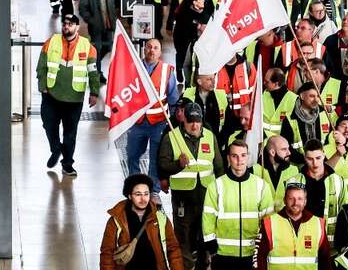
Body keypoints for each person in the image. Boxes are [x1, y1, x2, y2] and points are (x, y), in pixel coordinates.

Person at [157, 103, 222, 270]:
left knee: (205, 234)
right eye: (191, 121)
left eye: (198, 121)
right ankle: (185, 266)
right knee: (183, 236)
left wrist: (223, 192)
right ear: (183, 119)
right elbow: (162, 165)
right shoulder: (171, 137)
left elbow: (219, 166)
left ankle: (202, 264)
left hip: (206, 197)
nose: (195, 125)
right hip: (183, 199)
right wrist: (178, 165)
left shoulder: (209, 136)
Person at [37, 14, 99, 176]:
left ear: (77, 27)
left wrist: (94, 92)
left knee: (70, 133)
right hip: (51, 94)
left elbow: (93, 72)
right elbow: (42, 65)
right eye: (64, 24)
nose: (66, 27)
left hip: (74, 98)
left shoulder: (87, 47)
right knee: (49, 125)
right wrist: (42, 85)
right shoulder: (51, 42)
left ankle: (67, 164)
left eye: (70, 24)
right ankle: (56, 149)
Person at [202, 139, 274, 270]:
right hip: (223, 253)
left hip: (252, 252)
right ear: (228, 158)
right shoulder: (216, 185)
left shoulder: (262, 185)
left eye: (243, 155)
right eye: (234, 156)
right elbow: (208, 216)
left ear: (248, 157)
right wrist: (210, 242)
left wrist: (265, 244)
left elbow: (268, 219)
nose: (239, 160)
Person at [99, 173, 183, 270]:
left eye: (146, 194)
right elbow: (107, 254)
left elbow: (173, 249)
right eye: (138, 194)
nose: (143, 199)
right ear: (129, 196)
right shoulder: (117, 220)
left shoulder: (160, 218)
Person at [126, 39, 179, 189]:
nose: (152, 50)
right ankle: (135, 186)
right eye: (149, 47)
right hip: (137, 122)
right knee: (132, 155)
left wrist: (173, 121)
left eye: (156, 48)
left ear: (160, 52)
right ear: (144, 49)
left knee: (155, 158)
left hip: (159, 122)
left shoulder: (167, 71)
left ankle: (154, 190)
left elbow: (173, 97)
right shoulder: (133, 68)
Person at [254, 182, 331, 270]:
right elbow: (259, 258)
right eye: (291, 198)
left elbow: (325, 261)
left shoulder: (318, 224)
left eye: (300, 199)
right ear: (284, 200)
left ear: (305, 201)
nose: (295, 203)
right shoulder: (269, 223)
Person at [280, 81, 336, 165]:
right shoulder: (290, 118)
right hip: (299, 166)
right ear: (302, 96)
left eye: (318, 96)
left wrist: (320, 159)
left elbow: (330, 141)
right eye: (312, 96)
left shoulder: (324, 114)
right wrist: (307, 160)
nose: (316, 100)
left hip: (322, 164)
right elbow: (286, 147)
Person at [78, 0, 117, 80]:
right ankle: (97, 74)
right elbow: (82, 9)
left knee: (108, 46)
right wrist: (91, 21)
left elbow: (112, 5)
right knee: (97, 50)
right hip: (96, 27)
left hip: (108, 25)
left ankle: (92, 64)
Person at [324, 13, 348, 84]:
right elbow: (323, 61)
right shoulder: (331, 40)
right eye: (344, 19)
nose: (345, 22)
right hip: (335, 81)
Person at [263, 67, 298, 139]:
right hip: (265, 141)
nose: (264, 83)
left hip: (283, 142)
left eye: (267, 82)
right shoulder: (263, 95)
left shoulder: (294, 99)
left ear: (276, 84)